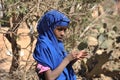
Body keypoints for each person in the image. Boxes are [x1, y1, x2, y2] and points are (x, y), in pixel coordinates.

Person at [33, 9, 88, 80]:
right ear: (49, 27)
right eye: (59, 29)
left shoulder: (57, 44)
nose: (62, 33)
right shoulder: (43, 46)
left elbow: (60, 67)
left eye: (64, 30)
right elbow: (50, 77)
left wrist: (73, 58)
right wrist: (67, 59)